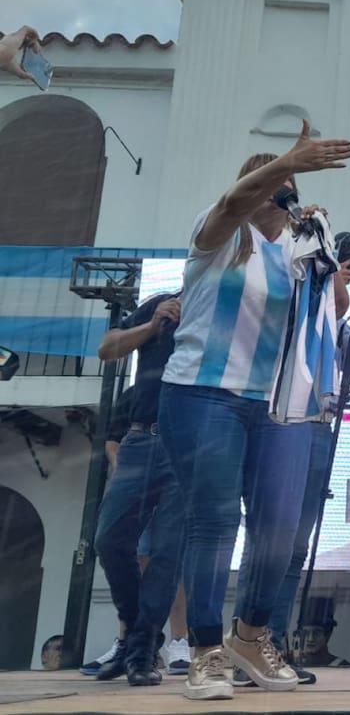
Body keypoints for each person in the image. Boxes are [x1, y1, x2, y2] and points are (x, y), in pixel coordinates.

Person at [157, 122, 350, 702]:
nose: (285, 195)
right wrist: (284, 163)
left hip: (278, 405)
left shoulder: (293, 251)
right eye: (277, 183)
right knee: (216, 523)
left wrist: (321, 247)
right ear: (255, 186)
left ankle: (251, 635)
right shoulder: (219, 232)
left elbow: (333, 310)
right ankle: (204, 650)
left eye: (290, 183)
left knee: (281, 529)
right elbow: (231, 201)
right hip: (204, 393)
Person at [259, 264, 350, 684]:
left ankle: (272, 642)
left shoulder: (338, 327)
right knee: (269, 540)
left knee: (296, 547)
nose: (347, 279)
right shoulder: (295, 309)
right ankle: (250, 636)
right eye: (341, 271)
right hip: (278, 425)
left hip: (318, 432)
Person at [93, 290, 185, 686]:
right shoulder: (165, 303)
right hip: (141, 438)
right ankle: (137, 635)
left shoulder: (233, 310)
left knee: (167, 551)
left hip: (194, 443)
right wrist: (151, 326)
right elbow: (107, 348)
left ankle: (141, 649)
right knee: (108, 539)